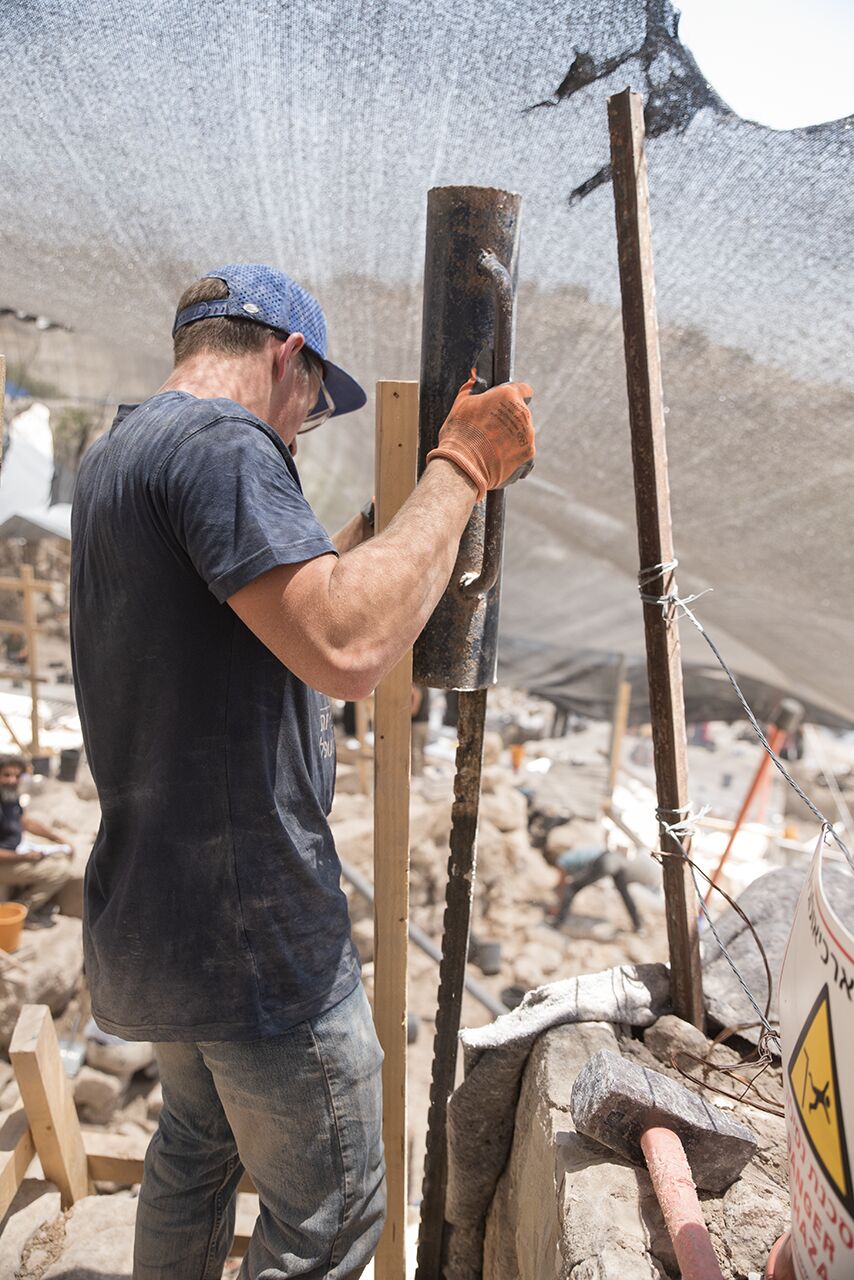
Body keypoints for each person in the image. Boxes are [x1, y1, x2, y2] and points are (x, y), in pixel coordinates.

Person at [69, 264, 535, 1280]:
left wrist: (385, 526)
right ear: (289, 359)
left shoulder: (122, 454)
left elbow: (278, 606)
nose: (302, 431)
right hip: (253, 932)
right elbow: (346, 644)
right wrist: (461, 467)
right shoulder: (226, 442)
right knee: (330, 1216)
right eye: (313, 405)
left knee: (195, 1149)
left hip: (157, 914)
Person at [0, 753, 73, 926]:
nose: (12, 780)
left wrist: (57, 838)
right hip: (5, 861)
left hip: (16, 850)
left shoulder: (9, 796)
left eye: (17, 776)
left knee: (60, 854)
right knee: (59, 871)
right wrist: (25, 857)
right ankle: (21, 911)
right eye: (6, 775)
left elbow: (25, 821)